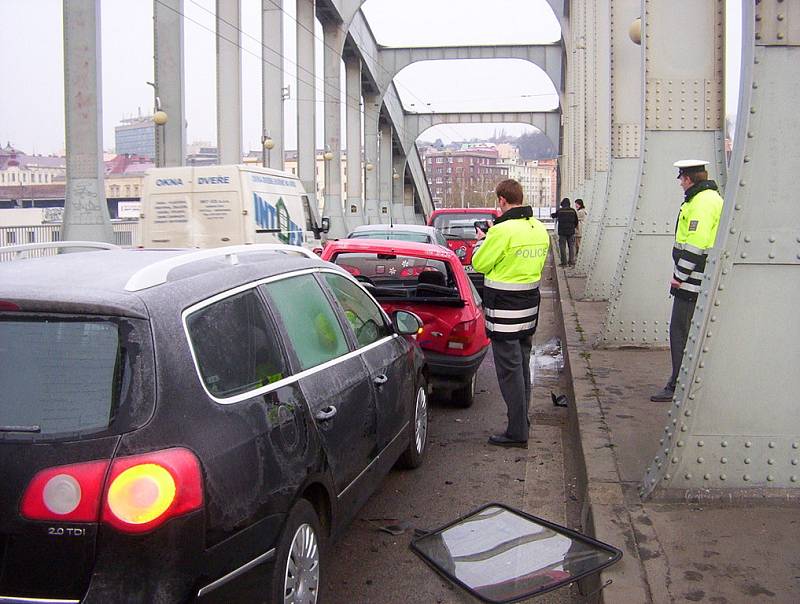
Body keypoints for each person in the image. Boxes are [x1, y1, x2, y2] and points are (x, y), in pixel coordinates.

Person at [472, 179, 550, 448]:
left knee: (509, 372)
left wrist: (482, 241)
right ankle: (522, 421)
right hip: (529, 307)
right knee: (522, 366)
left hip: (505, 309)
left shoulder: (502, 231)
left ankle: (517, 431)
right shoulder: (539, 229)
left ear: (502, 200)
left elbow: (479, 263)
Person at [650, 160, 724, 402]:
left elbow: (695, 244)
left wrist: (678, 277)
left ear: (689, 179)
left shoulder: (701, 203)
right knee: (688, 331)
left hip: (692, 280)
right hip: (698, 278)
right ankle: (684, 380)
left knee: (679, 332)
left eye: (681, 178)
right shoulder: (709, 198)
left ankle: (678, 385)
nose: (680, 183)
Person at [551, 198, 579, 267]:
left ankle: (564, 262)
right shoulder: (573, 211)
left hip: (562, 232)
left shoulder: (560, 211)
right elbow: (576, 221)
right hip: (571, 232)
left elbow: (554, 215)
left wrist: (552, 215)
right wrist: (573, 227)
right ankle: (571, 262)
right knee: (571, 247)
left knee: (562, 247)